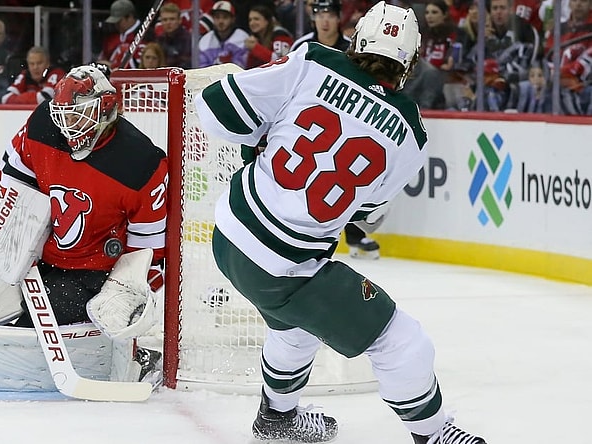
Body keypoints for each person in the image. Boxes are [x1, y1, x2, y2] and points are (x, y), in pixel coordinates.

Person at [194, 2, 487, 443]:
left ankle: (277, 417)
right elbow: (366, 217)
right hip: (287, 266)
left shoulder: (312, 61)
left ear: (358, 38)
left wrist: (263, 141)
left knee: (295, 327)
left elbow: (213, 107)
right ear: (408, 62)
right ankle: (434, 433)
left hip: (230, 237)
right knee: (401, 341)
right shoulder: (411, 131)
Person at [0, 64, 168, 332]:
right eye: (63, 116)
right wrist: (21, 239)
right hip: (41, 257)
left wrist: (122, 296)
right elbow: (16, 177)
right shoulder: (44, 123)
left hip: (96, 274)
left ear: (105, 108)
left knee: (29, 327)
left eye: (78, 115)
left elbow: (150, 252)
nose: (68, 126)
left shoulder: (141, 163)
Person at [291, 0, 383, 259]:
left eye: (330, 14)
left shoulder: (351, 50)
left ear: (339, 17)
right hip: (307, 123)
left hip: (344, 125)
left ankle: (355, 234)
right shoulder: (304, 47)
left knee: (347, 174)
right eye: (320, 14)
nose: (325, 20)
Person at [1, 46, 65, 105]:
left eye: (39, 63)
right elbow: (5, 98)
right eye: (32, 64)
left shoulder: (57, 74)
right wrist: (33, 96)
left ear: (47, 64)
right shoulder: (25, 75)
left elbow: (45, 98)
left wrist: (20, 97)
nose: (35, 67)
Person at [198, 1, 250, 68]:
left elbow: (240, 68)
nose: (221, 21)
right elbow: (202, 68)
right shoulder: (205, 40)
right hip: (210, 77)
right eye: (217, 17)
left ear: (233, 19)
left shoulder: (243, 38)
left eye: (225, 17)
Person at [244, 4, 294, 69]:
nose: (252, 23)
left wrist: (255, 48)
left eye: (256, 19)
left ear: (267, 21)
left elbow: (280, 61)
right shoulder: (255, 39)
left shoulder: (280, 35)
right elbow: (250, 67)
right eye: (250, 20)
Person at [98, 0, 143, 70]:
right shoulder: (111, 37)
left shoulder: (146, 35)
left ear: (130, 17)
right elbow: (103, 57)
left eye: (119, 21)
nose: (116, 25)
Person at [153, 2, 193, 68]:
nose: (168, 23)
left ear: (179, 20)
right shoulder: (159, 40)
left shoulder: (188, 40)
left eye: (172, 19)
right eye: (165, 20)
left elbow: (187, 65)